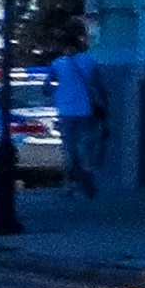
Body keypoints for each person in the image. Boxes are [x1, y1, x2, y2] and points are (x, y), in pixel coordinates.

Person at [50, 45, 100, 198]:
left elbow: (47, 85)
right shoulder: (90, 61)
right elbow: (97, 85)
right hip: (85, 110)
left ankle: (69, 185)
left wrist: (56, 92)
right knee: (84, 145)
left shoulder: (57, 63)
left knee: (68, 149)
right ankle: (87, 176)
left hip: (66, 111)